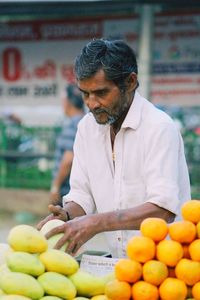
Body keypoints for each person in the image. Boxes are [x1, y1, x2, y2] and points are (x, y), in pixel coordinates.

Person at [37, 39, 191, 258]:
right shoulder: (86, 128)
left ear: (130, 82)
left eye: (101, 93)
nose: (91, 103)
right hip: (121, 268)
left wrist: (96, 222)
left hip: (168, 266)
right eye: (85, 94)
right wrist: (68, 215)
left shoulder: (159, 127)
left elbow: (162, 209)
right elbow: (82, 195)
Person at [50, 83, 85, 206]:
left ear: (67, 102)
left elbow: (68, 159)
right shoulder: (85, 121)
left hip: (68, 192)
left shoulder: (74, 124)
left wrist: (55, 186)